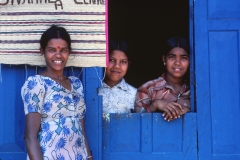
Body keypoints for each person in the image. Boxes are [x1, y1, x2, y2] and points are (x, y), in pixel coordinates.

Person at [21, 25, 93, 160]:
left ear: (69, 52)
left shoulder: (76, 84)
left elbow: (81, 130)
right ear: (42, 51)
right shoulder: (36, 84)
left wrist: (89, 156)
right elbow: (30, 137)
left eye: (63, 50)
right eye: (52, 50)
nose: (58, 55)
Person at [135, 36, 190, 122]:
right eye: (172, 57)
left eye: (183, 58)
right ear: (164, 59)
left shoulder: (195, 91)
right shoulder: (148, 89)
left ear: (190, 61)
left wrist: (187, 110)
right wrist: (155, 105)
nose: (177, 63)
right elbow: (135, 124)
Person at [98, 40, 137, 117]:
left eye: (123, 62)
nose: (117, 66)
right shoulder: (94, 89)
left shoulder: (134, 94)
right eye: (111, 60)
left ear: (128, 65)